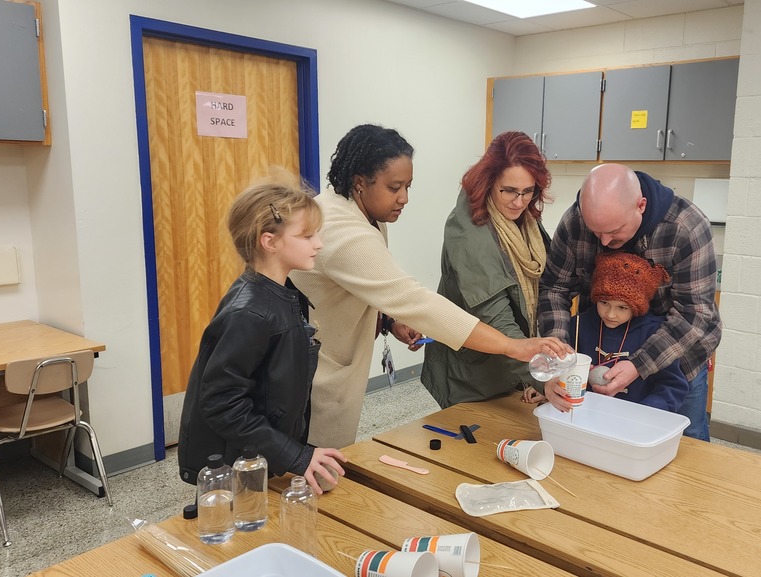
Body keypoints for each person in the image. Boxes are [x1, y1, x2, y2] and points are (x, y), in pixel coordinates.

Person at [290, 124, 571, 448]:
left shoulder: (362, 213)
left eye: (407, 186)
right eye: (395, 187)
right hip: (314, 370)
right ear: (359, 183)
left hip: (330, 355)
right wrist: (513, 347)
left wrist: (390, 319)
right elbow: (416, 300)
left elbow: (365, 283)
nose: (405, 198)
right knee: (308, 471)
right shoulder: (345, 232)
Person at [178, 170, 345, 493]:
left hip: (259, 456)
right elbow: (221, 403)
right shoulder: (250, 312)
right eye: (308, 236)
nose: (319, 244)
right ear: (269, 241)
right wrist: (295, 455)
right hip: (233, 466)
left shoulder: (285, 293)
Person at [538, 163, 722, 441]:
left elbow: (694, 314)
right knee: (598, 437)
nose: (605, 240)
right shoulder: (575, 221)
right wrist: (559, 361)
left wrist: (639, 364)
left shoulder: (686, 227)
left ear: (641, 205)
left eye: (614, 230)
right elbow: (554, 290)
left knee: (685, 440)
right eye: (595, 231)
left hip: (678, 357)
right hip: (603, 349)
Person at [421, 131, 552, 408]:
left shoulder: (522, 220)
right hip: (472, 373)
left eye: (527, 191)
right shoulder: (468, 231)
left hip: (513, 366)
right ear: (489, 181)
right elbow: (496, 318)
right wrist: (545, 379)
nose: (519, 202)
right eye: (509, 191)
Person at [544, 251, 688, 413]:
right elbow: (561, 371)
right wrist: (550, 384)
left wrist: (645, 413)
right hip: (586, 417)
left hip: (634, 425)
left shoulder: (655, 333)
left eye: (622, 307)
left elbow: (671, 386)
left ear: (637, 307)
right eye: (604, 303)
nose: (610, 314)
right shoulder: (578, 325)